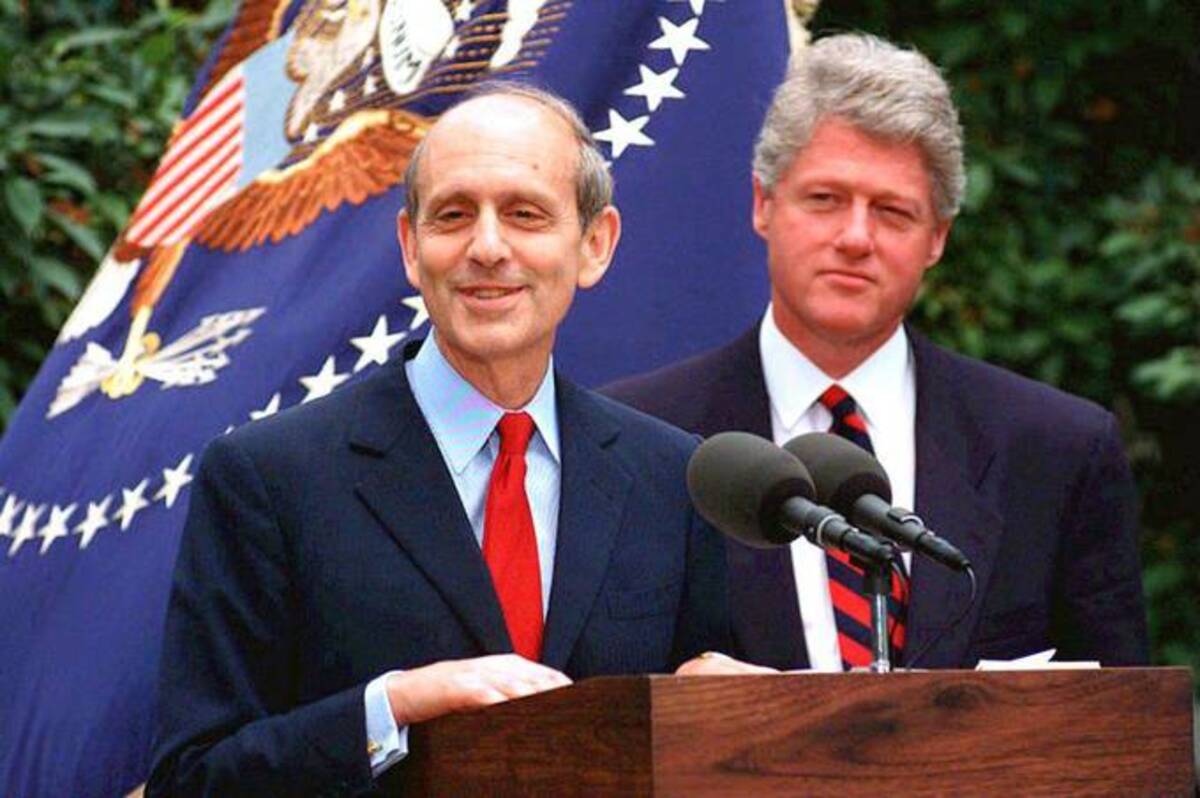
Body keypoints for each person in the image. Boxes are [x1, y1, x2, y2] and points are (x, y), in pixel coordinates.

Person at [148, 83, 731, 796]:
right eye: (454, 215)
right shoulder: (268, 478)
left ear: (594, 244)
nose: (487, 247)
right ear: (410, 247)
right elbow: (193, 778)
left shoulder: (672, 479)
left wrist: (735, 712)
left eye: (525, 214)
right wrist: (391, 707)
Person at [604, 33, 1149, 672]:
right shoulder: (640, 440)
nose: (855, 238)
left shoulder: (1056, 451)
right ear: (763, 205)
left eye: (892, 211)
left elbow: (1123, 729)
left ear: (937, 238)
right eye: (825, 199)